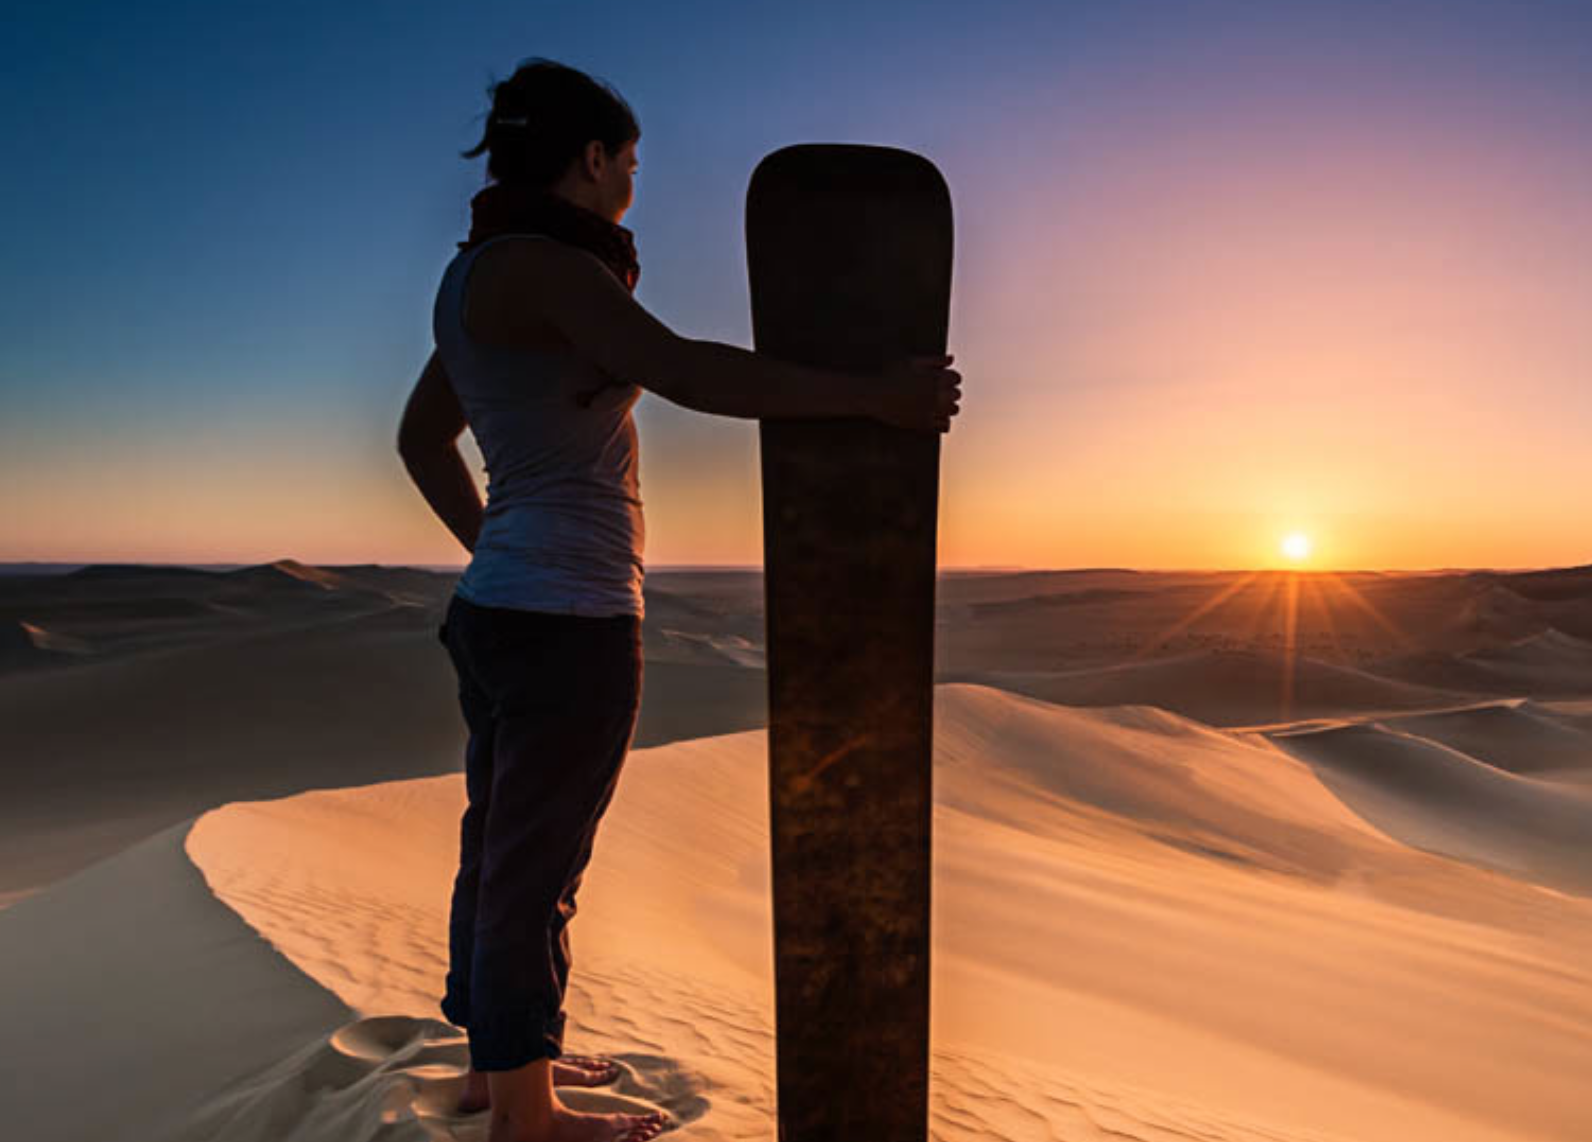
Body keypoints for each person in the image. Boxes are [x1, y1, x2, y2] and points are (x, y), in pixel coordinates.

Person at [397, 58, 961, 1142]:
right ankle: (525, 1113)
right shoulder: (549, 270)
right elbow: (683, 368)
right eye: (631, 163)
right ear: (593, 157)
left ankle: (503, 1064)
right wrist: (871, 399)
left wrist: (497, 551)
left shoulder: (472, 278)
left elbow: (421, 439)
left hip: (510, 608)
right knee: (535, 864)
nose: (632, 184)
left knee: (501, 846)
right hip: (566, 623)